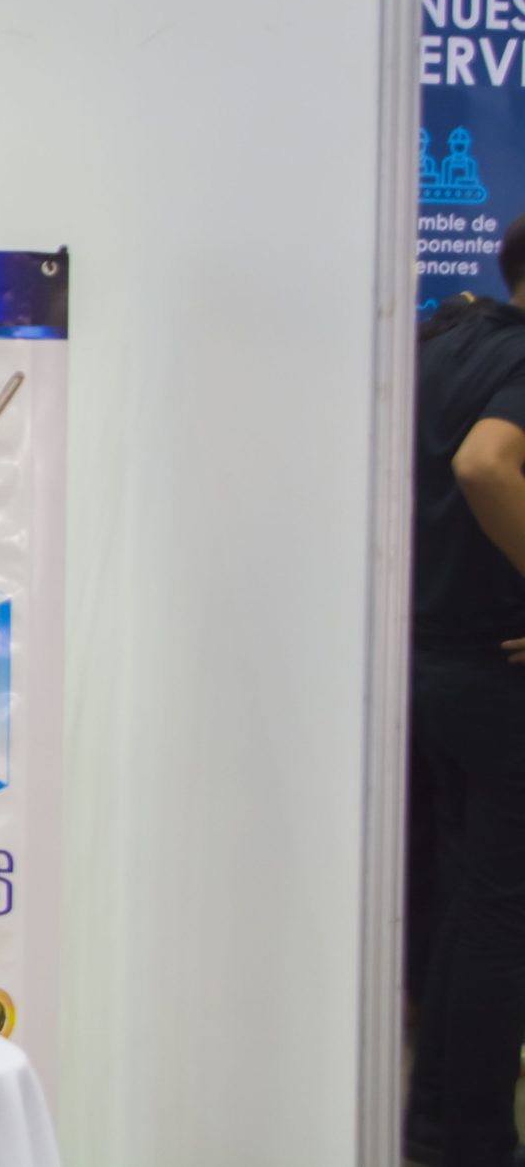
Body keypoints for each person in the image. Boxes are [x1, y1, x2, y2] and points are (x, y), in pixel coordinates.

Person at [409, 223, 525, 1167]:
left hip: (431, 660)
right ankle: (479, 1137)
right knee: (502, 911)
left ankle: (437, 1120)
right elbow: (484, 464)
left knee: (463, 897)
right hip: (500, 671)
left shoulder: (448, 343)